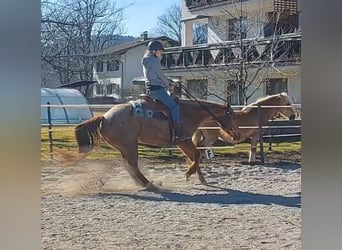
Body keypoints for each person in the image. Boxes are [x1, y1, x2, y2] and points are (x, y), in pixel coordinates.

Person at [142, 40, 186, 141]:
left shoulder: (147, 60)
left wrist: (168, 80)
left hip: (151, 88)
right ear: (154, 51)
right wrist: (169, 83)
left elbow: (157, 75)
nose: (161, 53)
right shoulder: (154, 61)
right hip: (157, 90)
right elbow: (160, 75)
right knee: (175, 107)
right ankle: (178, 132)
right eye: (160, 51)